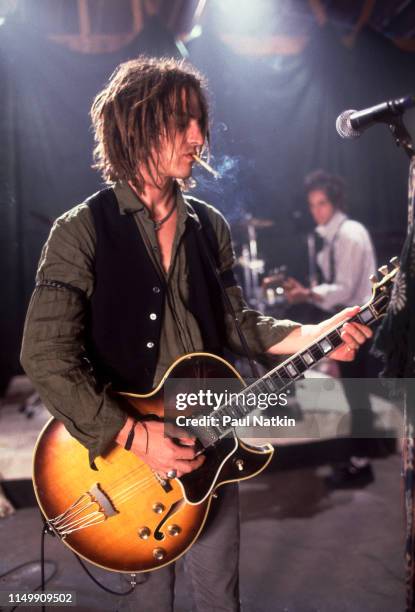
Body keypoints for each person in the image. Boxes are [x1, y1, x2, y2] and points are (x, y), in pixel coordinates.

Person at [20, 59, 372, 611]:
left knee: (219, 599)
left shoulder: (210, 227)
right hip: (126, 461)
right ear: (137, 123)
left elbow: (237, 323)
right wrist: (137, 436)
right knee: (150, 603)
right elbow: (43, 356)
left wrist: (315, 331)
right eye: (182, 122)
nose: (200, 138)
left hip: (211, 437)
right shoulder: (80, 230)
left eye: (200, 122)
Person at [284, 169, 378, 487]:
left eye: (322, 204)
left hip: (363, 324)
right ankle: (357, 460)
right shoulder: (333, 236)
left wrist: (308, 293)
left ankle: (361, 464)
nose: (316, 211)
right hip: (349, 321)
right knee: (353, 396)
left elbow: (347, 288)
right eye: (312, 205)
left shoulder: (349, 234)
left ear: (335, 203)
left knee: (357, 396)